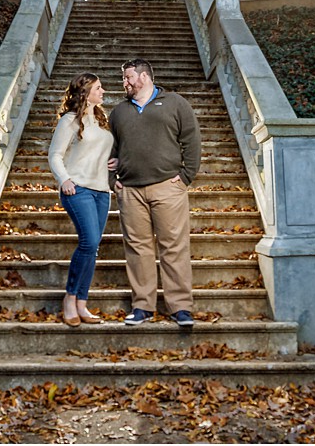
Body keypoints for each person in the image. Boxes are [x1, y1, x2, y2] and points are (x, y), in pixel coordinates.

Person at [107, 57, 201, 327]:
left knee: (174, 247)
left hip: (167, 188)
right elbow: (109, 149)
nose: (124, 82)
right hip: (131, 191)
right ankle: (142, 307)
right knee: (138, 250)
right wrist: (113, 178)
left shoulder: (175, 103)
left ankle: (180, 307)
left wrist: (186, 176)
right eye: (124, 78)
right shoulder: (119, 112)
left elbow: (192, 140)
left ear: (144, 76)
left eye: (128, 77)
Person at [47, 71, 113, 326]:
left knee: (93, 247)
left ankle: (82, 304)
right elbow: (55, 155)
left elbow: (104, 152)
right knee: (89, 242)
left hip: (101, 191)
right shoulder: (70, 120)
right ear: (85, 91)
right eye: (98, 87)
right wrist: (65, 180)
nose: (103, 91)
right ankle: (70, 298)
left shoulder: (101, 119)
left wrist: (113, 162)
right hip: (78, 189)